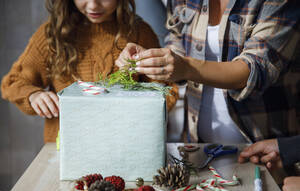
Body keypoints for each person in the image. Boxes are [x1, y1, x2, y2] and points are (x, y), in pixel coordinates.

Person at [116, 0, 300, 144]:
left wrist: (185, 67)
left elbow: (255, 69)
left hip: (265, 149)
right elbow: (178, 41)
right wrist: (154, 59)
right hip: (197, 146)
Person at [1, 0, 178, 143]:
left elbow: (165, 91)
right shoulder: (52, 35)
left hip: (125, 146)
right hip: (64, 148)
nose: (93, 5)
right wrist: (33, 95)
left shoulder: (139, 32)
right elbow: (13, 82)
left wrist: (137, 108)